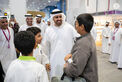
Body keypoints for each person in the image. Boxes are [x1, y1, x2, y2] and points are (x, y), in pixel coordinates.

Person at [42, 9, 79, 78]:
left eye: (60, 17)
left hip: (69, 61)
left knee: (68, 78)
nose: (59, 19)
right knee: (55, 78)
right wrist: (46, 61)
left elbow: (78, 42)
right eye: (56, 17)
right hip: (54, 61)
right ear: (52, 18)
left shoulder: (69, 28)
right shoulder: (48, 30)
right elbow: (45, 48)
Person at [64, 14, 98, 82]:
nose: (75, 26)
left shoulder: (83, 43)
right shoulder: (88, 38)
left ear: (82, 27)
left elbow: (75, 70)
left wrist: (66, 66)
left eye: (76, 24)